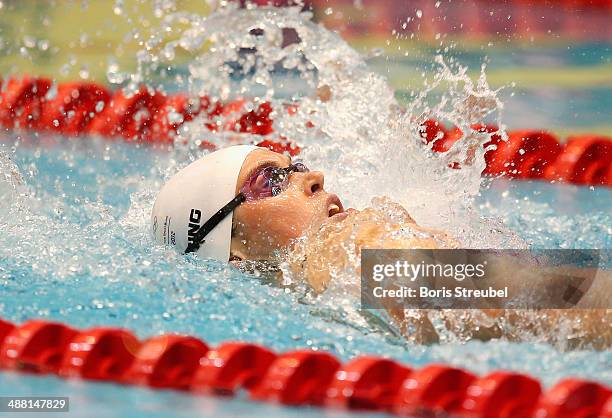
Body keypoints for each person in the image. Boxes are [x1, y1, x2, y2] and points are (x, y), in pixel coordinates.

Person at [152, 145, 610, 349]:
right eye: (271, 180)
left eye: (297, 166)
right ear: (234, 252)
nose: (312, 178)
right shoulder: (342, 249)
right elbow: (554, 297)